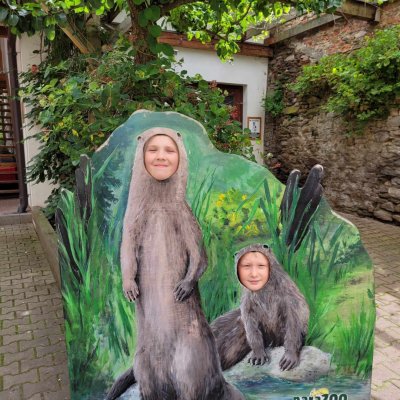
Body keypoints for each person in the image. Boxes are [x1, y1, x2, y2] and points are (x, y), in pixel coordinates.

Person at [118, 128, 244, 400]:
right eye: (153, 150)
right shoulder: (135, 209)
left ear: (181, 157)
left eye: (169, 150)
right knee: (149, 368)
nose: (161, 156)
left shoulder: (180, 207)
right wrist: (128, 277)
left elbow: (200, 256)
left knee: (189, 367)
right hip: (151, 322)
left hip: (186, 322)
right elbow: (128, 246)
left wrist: (190, 279)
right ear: (141, 155)